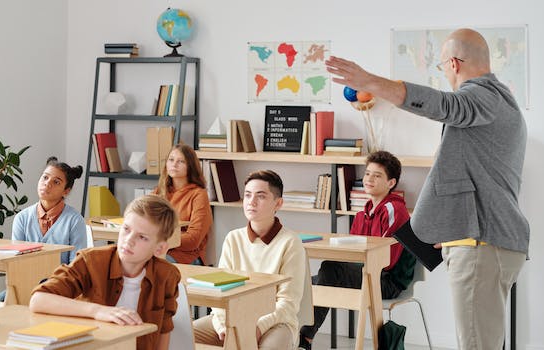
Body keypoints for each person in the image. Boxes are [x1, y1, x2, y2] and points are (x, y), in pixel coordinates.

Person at [326, 28, 528, 349]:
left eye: (442, 67)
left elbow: (443, 104)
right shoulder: (496, 104)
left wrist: (371, 83)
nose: (445, 74)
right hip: (482, 241)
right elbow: (474, 180)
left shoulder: (484, 95)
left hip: (481, 245)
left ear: (453, 63)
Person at [28, 195, 181, 350]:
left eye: (142, 237)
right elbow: (38, 300)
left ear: (160, 248)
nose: (129, 240)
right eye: (126, 229)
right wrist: (98, 311)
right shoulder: (91, 261)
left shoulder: (167, 276)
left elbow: (164, 330)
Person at [298, 151, 415, 349]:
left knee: (330, 270)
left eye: (377, 175)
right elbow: (352, 253)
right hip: (366, 274)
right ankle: (293, 338)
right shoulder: (363, 213)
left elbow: (387, 260)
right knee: (302, 284)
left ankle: (305, 339)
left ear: (391, 183)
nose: (369, 179)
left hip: (386, 281)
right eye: (367, 174)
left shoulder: (394, 210)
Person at [194, 170, 307, 350]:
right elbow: (219, 294)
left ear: (278, 203)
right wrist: (222, 325)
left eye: (260, 196)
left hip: (275, 324)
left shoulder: (290, 243)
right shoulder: (233, 239)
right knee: (184, 335)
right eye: (247, 195)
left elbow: (287, 304)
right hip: (233, 319)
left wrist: (257, 327)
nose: (251, 202)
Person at [12, 156, 87, 265]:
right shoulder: (22, 218)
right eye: (45, 177)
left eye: (56, 182)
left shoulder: (75, 221)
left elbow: (76, 267)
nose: (47, 183)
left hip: (62, 281)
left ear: (66, 191)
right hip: (26, 280)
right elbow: (15, 262)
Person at [154, 143, 213, 264]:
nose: (174, 164)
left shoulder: (199, 195)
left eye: (181, 161)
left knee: (153, 263)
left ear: (190, 166)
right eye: (171, 160)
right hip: (158, 248)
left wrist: (159, 240)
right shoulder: (159, 192)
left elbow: (193, 239)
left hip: (187, 255)